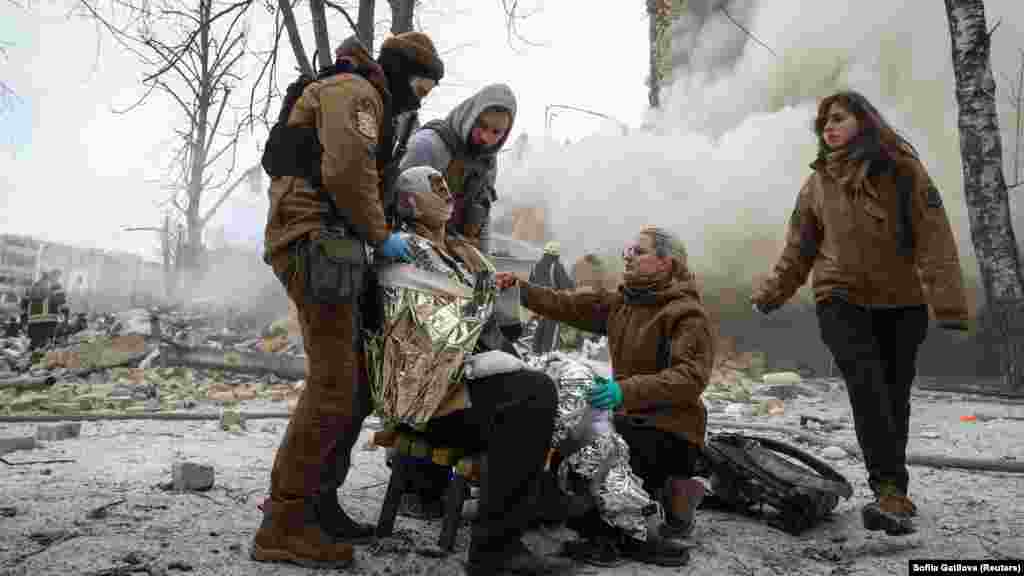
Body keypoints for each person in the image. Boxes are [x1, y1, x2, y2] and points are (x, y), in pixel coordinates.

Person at [253, 31, 445, 569]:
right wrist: (382, 234)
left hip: (330, 243)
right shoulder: (356, 93)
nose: (424, 96)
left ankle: (315, 502)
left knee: (353, 384)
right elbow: (345, 171)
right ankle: (284, 524)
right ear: (406, 71)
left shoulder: (364, 94)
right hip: (315, 241)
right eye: (424, 83)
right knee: (333, 386)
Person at [751, 90, 968, 536]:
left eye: (837, 118)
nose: (827, 127)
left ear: (863, 122)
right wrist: (772, 293)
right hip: (839, 299)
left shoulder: (903, 170)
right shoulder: (816, 184)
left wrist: (947, 304)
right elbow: (798, 250)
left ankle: (894, 489)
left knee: (893, 394)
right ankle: (888, 489)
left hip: (903, 302)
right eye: (823, 123)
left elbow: (935, 236)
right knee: (867, 387)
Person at [382, 166, 571, 575]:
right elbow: (429, 331)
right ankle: (494, 551)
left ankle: (540, 512)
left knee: (553, 387)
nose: (447, 194)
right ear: (411, 201)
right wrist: (483, 301)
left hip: (462, 383)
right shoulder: (400, 252)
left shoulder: (461, 251)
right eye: (436, 188)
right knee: (532, 394)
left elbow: (501, 327)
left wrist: (501, 300)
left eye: (448, 186)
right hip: (427, 400)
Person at [496, 225, 715, 565]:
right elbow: (566, 303)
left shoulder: (686, 313)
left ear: (666, 263)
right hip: (628, 416)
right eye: (627, 250)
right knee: (571, 453)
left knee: (597, 460)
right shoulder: (623, 302)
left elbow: (690, 377)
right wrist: (520, 289)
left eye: (638, 251)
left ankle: (628, 536)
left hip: (671, 429)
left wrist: (622, 391)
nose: (627, 256)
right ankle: (667, 505)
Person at [398, 83, 517, 254]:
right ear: (470, 116)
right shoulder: (428, 145)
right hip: (413, 250)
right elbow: (396, 204)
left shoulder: (488, 164)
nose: (486, 138)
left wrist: (485, 264)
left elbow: (483, 215)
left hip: (455, 257)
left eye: (496, 132)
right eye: (482, 126)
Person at [529, 241, 575, 354]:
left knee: (540, 330)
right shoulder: (556, 266)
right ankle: (548, 356)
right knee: (551, 332)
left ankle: (535, 354)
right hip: (553, 305)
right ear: (557, 254)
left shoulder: (535, 266)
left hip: (539, 305)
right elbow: (565, 285)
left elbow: (531, 285)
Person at [24, 270, 68, 351]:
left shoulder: (34, 286)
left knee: (35, 343)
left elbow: (25, 303)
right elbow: (62, 302)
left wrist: (25, 321)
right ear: (53, 275)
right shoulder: (55, 285)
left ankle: (26, 359)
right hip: (48, 320)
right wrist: (65, 320)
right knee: (45, 347)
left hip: (33, 321)